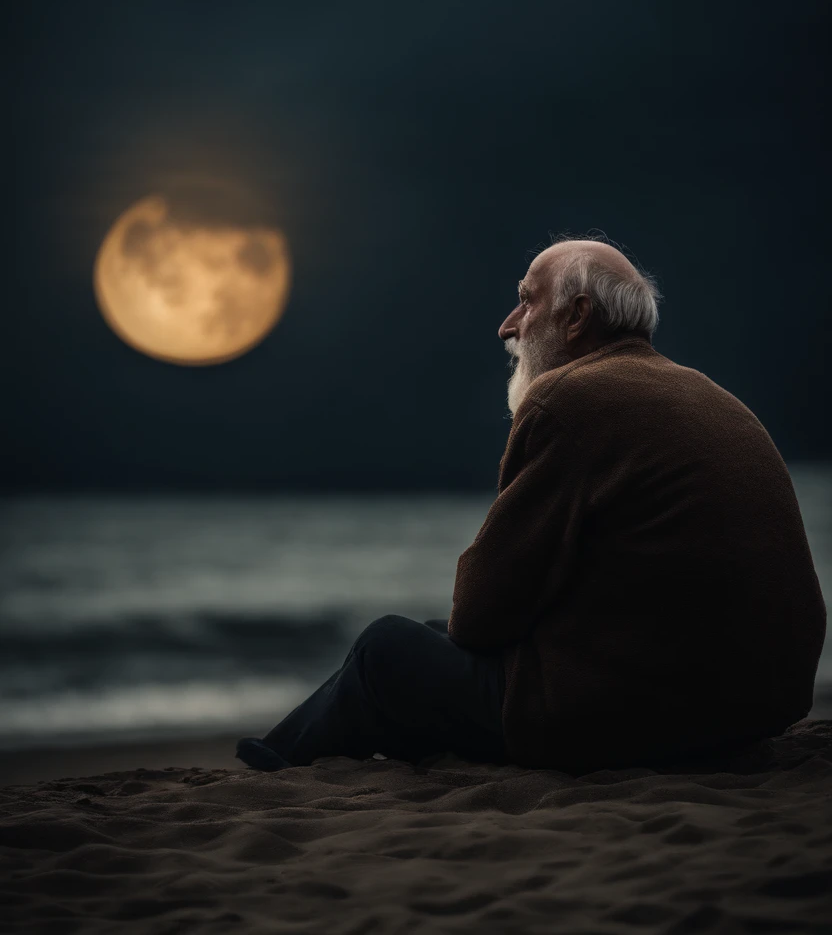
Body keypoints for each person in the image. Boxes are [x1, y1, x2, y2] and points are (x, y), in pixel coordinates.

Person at [236, 232, 827, 774]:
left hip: (651, 717)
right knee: (427, 638)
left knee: (385, 649)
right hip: (757, 707)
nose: (507, 325)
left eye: (526, 301)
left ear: (576, 318)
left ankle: (274, 769)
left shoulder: (569, 401)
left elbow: (478, 611)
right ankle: (289, 750)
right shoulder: (709, 395)